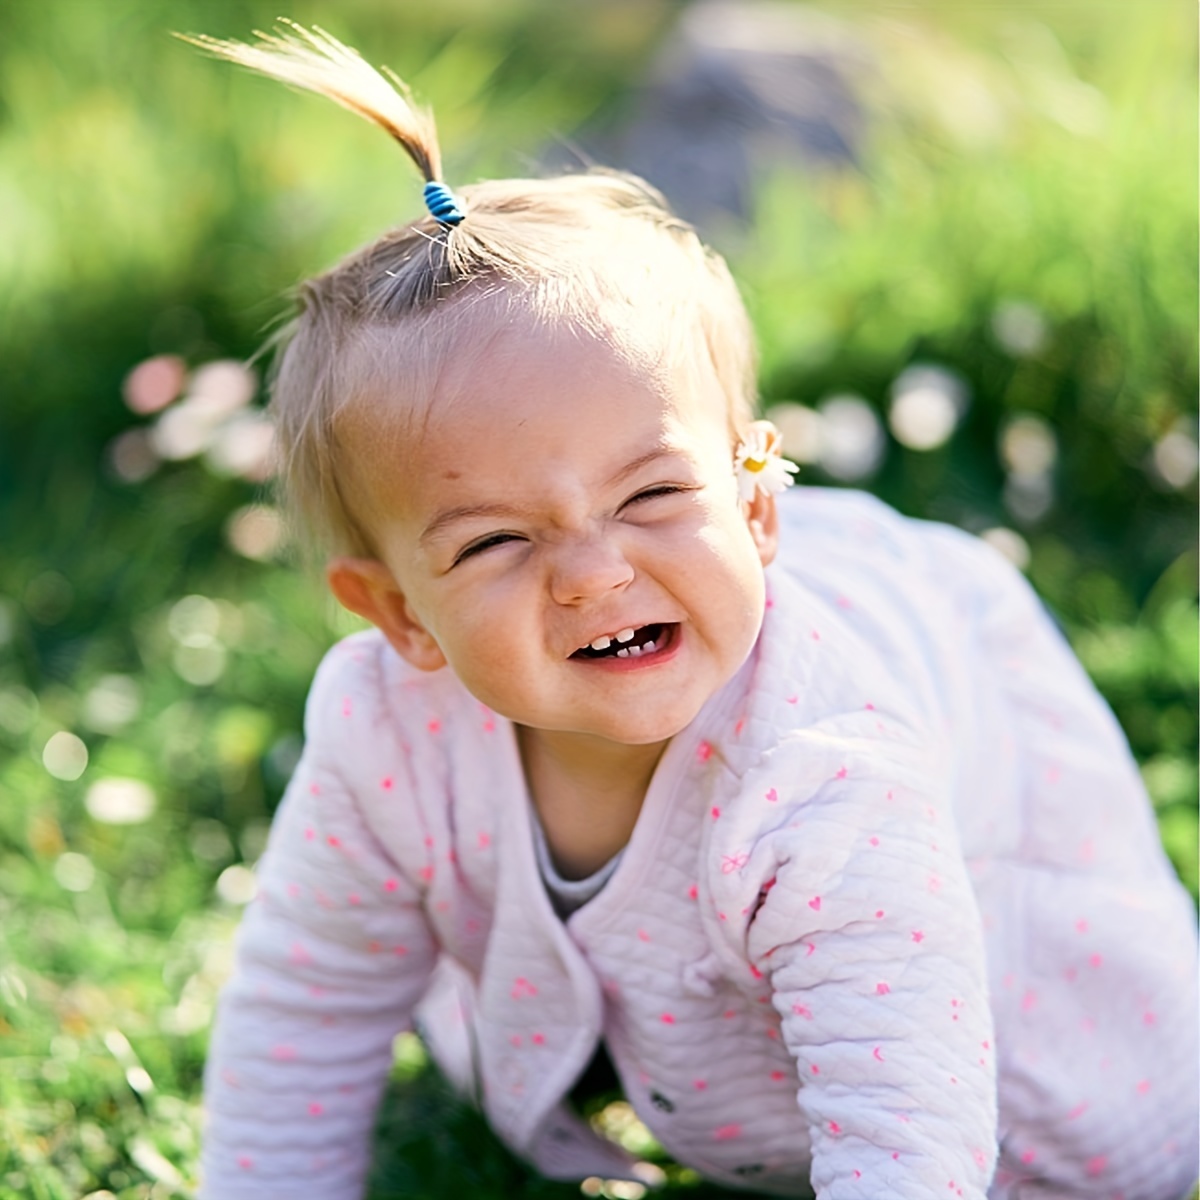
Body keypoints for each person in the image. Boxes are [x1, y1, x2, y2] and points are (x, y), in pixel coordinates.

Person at [186, 25, 1199, 1200]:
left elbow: (906, 1139)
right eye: (497, 540)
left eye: (653, 494)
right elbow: (309, 992)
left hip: (959, 963)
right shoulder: (385, 728)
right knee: (500, 973)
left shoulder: (824, 777)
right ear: (398, 616)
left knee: (1101, 1144)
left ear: (759, 507)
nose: (593, 573)